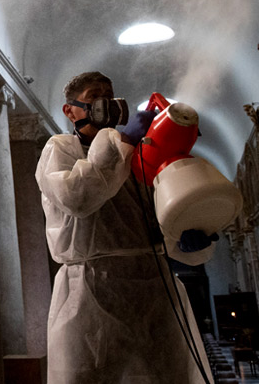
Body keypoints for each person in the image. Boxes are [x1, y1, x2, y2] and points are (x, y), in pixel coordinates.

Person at [35, 71, 215, 383]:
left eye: (109, 95)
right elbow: (77, 197)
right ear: (70, 110)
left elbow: (159, 218)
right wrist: (124, 142)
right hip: (91, 293)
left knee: (164, 375)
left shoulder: (138, 156)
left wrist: (186, 235)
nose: (106, 103)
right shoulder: (61, 149)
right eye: (94, 97)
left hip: (153, 289)